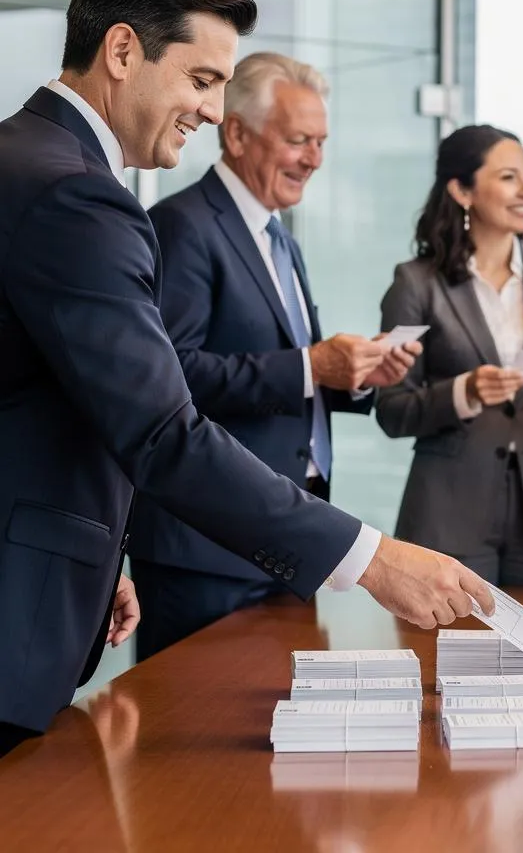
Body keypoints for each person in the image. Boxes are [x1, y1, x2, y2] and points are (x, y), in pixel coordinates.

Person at [0, 0, 492, 757]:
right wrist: (369, 558)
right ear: (123, 51)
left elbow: (53, 399)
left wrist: (99, 551)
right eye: (201, 80)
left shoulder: (29, 162)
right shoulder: (75, 195)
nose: (210, 110)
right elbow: (162, 429)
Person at [129, 53, 422, 659]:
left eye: (320, 142)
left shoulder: (280, 237)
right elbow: (169, 377)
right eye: (297, 140)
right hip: (205, 550)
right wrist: (314, 366)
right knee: (192, 741)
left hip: (285, 542)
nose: (314, 158)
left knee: (274, 734)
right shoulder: (183, 226)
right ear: (236, 133)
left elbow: (289, 371)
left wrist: (356, 377)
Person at [375, 125, 523, 587]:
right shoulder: (416, 283)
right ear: (461, 190)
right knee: (448, 655)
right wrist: (464, 392)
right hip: (448, 511)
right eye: (508, 177)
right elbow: (391, 411)